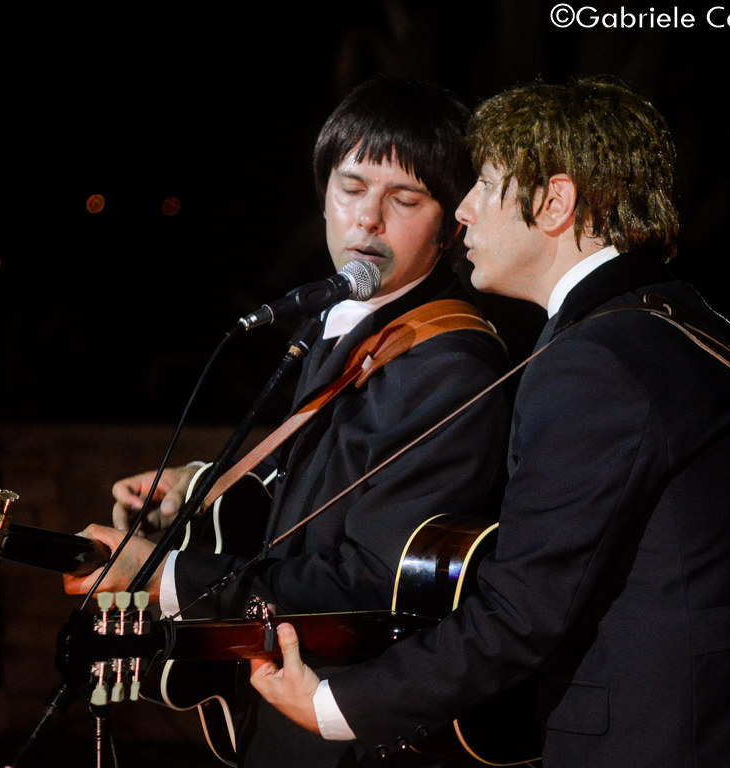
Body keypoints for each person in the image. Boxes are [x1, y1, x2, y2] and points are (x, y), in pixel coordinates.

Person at [249, 76, 730, 767]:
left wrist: (336, 707)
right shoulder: (685, 325)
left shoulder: (596, 362)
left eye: (483, 185)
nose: (461, 211)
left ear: (553, 203)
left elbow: (522, 612)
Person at [64, 77, 512, 767]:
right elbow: (320, 489)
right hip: (281, 699)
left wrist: (167, 577)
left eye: (405, 199)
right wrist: (196, 485)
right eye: (351, 188)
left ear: (452, 220)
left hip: (351, 721)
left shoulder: (447, 363)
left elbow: (371, 580)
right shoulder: (351, 321)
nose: (367, 220)